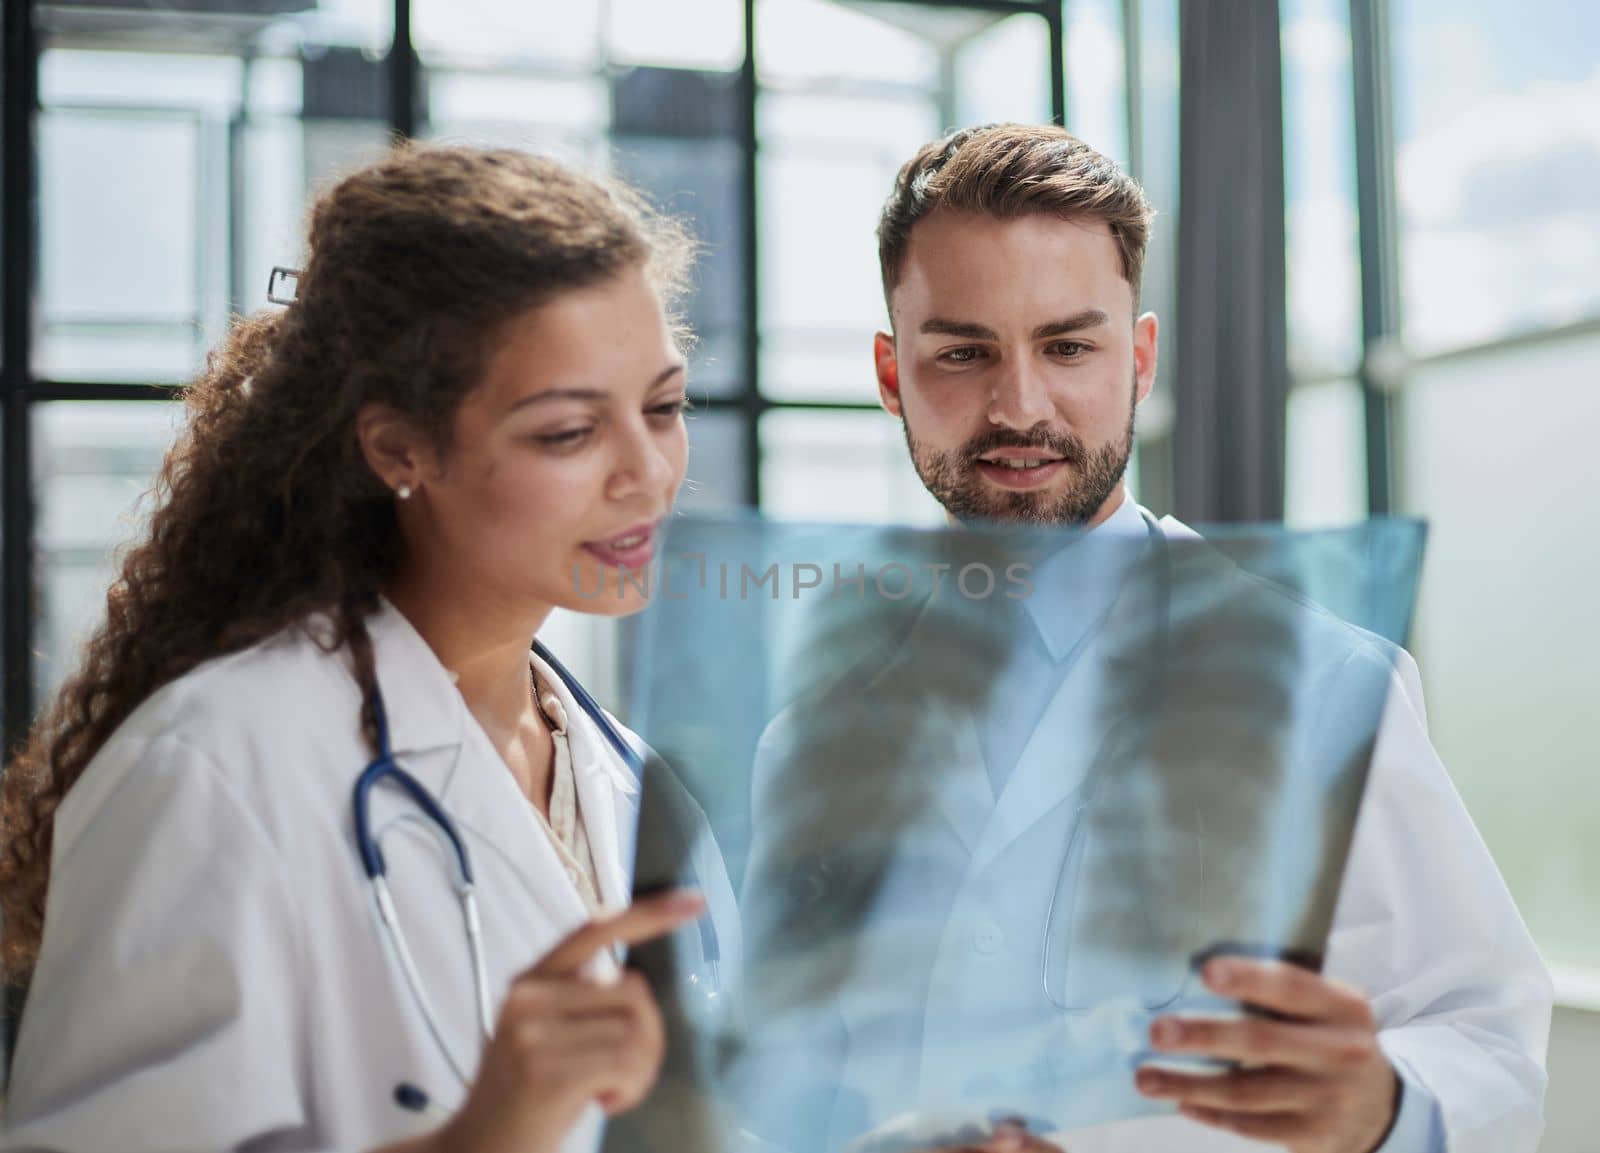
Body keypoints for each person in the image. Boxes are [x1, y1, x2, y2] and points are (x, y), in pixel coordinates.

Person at [744, 124, 1550, 1153]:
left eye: (1069, 346)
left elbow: (1488, 1049)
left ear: (1139, 359)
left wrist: (1382, 1105)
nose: (1018, 406)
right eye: (962, 352)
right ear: (893, 374)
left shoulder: (1321, 685)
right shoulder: (812, 740)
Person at [0, 144, 732, 1153]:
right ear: (400, 449)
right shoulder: (218, 764)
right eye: (568, 432)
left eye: (662, 407)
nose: (647, 474)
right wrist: (476, 1135)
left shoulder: (630, 781)